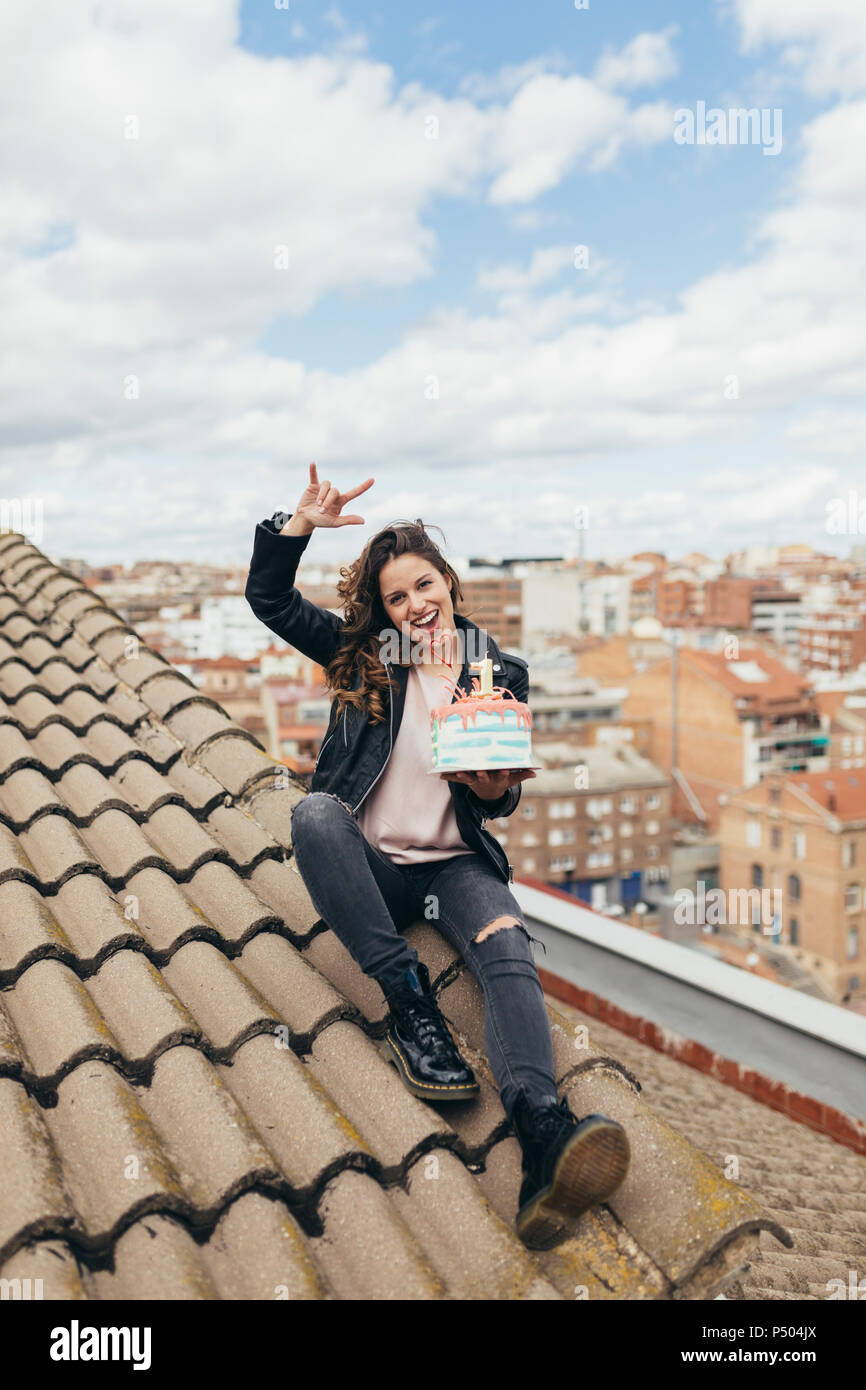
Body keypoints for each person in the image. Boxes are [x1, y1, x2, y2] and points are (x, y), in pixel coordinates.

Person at [245, 462, 630, 1249]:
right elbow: (270, 601)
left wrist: (493, 787)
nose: (416, 605)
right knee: (316, 814)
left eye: (426, 587)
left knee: (508, 946)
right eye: (397, 596)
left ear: (449, 585)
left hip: (456, 866)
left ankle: (542, 1131)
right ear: (382, 609)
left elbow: (499, 799)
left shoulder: (498, 673)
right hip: (377, 867)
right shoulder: (363, 657)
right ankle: (410, 1008)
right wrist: (300, 526)